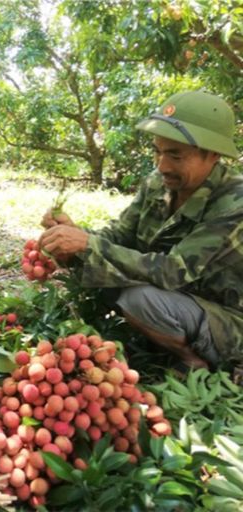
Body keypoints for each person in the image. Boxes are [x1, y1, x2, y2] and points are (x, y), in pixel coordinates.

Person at [39, 90, 243, 372]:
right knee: (101, 267)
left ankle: (195, 363)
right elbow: (120, 236)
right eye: (157, 151)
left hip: (226, 320)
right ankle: (160, 338)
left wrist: (88, 245)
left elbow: (174, 270)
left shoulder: (234, 203)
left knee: (138, 298)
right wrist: (74, 235)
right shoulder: (157, 185)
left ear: (213, 156)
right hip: (173, 300)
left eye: (175, 155)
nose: (162, 165)